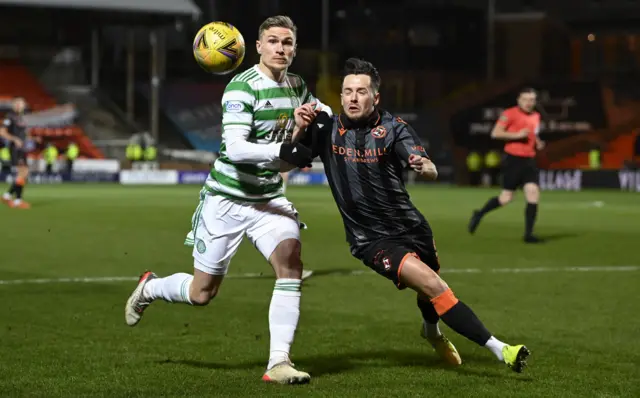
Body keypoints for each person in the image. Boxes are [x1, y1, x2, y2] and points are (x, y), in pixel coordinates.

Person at [124, 15, 331, 385]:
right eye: (273, 41)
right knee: (202, 293)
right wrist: (287, 148)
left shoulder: (297, 86)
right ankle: (151, 287)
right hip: (227, 200)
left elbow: (323, 110)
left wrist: (321, 118)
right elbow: (235, 149)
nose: (280, 48)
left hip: (268, 198)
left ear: (295, 49)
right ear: (258, 47)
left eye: (287, 42)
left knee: (291, 265)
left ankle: (278, 362)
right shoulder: (241, 88)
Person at [298, 58, 530, 373]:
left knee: (430, 286)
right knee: (434, 285)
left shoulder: (394, 129)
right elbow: (286, 159)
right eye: (348, 91)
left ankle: (431, 330)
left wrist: (426, 167)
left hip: (412, 226)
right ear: (340, 96)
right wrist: (298, 129)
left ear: (375, 97)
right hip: (372, 239)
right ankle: (501, 349)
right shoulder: (326, 129)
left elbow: (427, 165)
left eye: (361, 92)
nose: (353, 98)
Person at [467, 88, 545, 243]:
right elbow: (495, 133)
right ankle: (480, 214)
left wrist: (538, 142)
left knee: (533, 193)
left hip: (529, 160)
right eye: (526, 99)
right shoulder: (509, 114)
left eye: (532, 100)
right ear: (519, 100)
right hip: (513, 160)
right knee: (506, 198)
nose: (529, 103)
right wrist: (516, 135)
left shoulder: (536, 116)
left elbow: (533, 134)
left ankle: (528, 235)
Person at [0, 97, 32, 209]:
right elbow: (2, 132)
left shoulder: (21, 117)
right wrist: (14, 139)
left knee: (23, 174)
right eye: (17, 103)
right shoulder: (10, 117)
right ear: (13, 105)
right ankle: (17, 200)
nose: (19, 105)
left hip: (22, 149)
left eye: (21, 103)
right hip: (15, 148)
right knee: (23, 173)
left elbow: (22, 132)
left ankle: (8, 196)